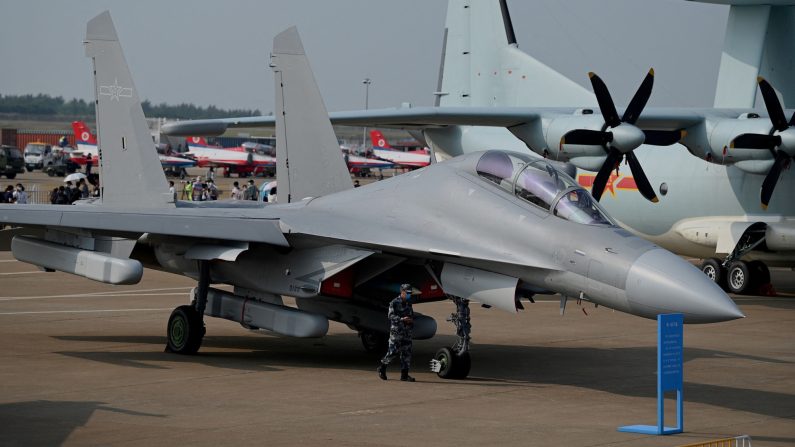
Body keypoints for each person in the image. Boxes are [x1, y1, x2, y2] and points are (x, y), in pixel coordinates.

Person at [378, 284, 415, 382]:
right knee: (393, 352)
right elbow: (390, 316)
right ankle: (382, 368)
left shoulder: (409, 303)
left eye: (410, 293)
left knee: (406, 353)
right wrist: (402, 319)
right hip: (397, 332)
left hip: (407, 332)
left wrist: (411, 320)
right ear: (402, 292)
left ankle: (404, 375)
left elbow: (411, 315)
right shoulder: (394, 302)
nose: (409, 295)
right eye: (407, 293)